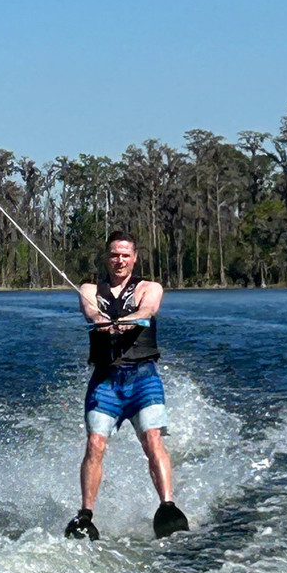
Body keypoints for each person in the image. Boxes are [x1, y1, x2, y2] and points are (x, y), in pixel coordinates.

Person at [64, 230, 188, 541]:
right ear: (106, 258)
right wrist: (102, 320)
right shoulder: (90, 289)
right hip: (106, 381)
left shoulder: (150, 288)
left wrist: (131, 321)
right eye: (114, 255)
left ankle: (167, 506)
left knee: (152, 440)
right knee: (94, 444)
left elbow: (148, 309)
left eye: (125, 255)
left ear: (134, 258)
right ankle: (86, 515)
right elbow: (89, 311)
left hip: (143, 379)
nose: (119, 260)